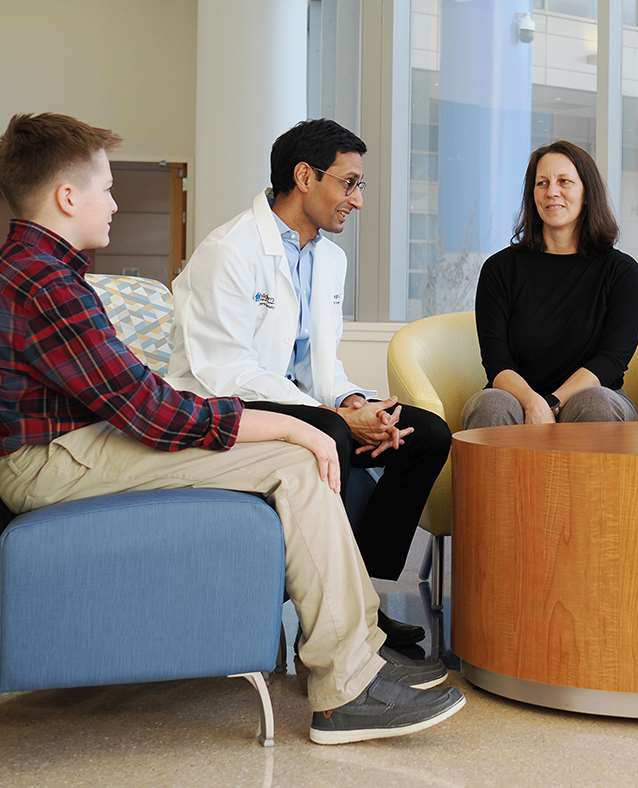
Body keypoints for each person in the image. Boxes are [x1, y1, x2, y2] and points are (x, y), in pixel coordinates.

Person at [0, 113, 464, 745]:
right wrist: (295, 428)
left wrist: (328, 412)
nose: (114, 201)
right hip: (51, 462)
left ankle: (356, 658)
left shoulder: (34, 274)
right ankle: (347, 686)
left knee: (329, 443)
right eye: (106, 188)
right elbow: (156, 411)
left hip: (64, 449)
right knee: (298, 457)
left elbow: (130, 396)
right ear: (66, 197)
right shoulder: (47, 286)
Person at [166, 119, 449, 649]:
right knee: (333, 435)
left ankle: (359, 594)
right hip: (231, 407)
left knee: (425, 434)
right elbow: (226, 369)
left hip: (304, 405)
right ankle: (333, 618)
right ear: (304, 176)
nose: (358, 200)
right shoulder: (228, 251)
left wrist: (354, 401)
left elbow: (321, 364)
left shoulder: (329, 258)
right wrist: (340, 420)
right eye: (350, 183)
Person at [461, 140, 638, 429]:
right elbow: (496, 362)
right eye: (542, 183)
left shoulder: (621, 271)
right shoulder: (499, 269)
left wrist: (552, 402)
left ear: (587, 193)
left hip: (594, 395)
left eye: (564, 182)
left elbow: (611, 359)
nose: (551, 192)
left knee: (595, 403)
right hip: (515, 396)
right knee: (491, 405)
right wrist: (533, 402)